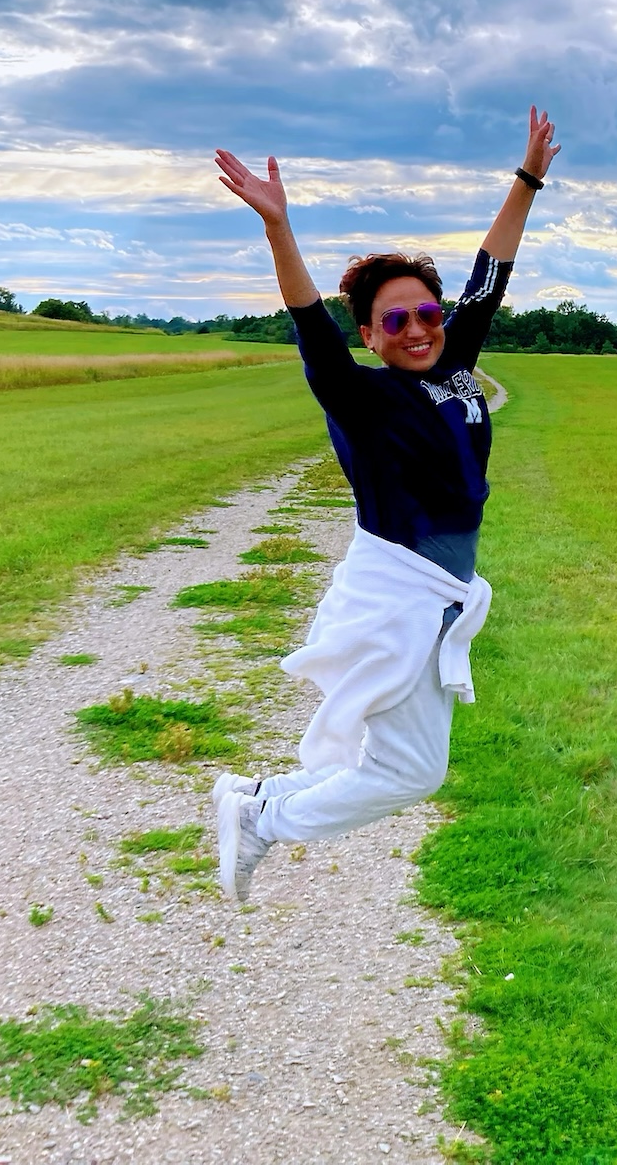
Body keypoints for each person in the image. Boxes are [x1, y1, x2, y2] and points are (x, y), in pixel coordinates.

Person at [208, 106, 561, 901]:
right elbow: (309, 328)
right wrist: (278, 230)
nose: (416, 328)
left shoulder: (453, 365)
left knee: (403, 767)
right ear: (369, 335)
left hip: (435, 598)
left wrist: (529, 179)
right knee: (410, 773)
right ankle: (262, 816)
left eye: (427, 314)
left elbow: (490, 272)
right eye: (394, 320)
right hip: (397, 593)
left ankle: (260, 800)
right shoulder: (363, 397)